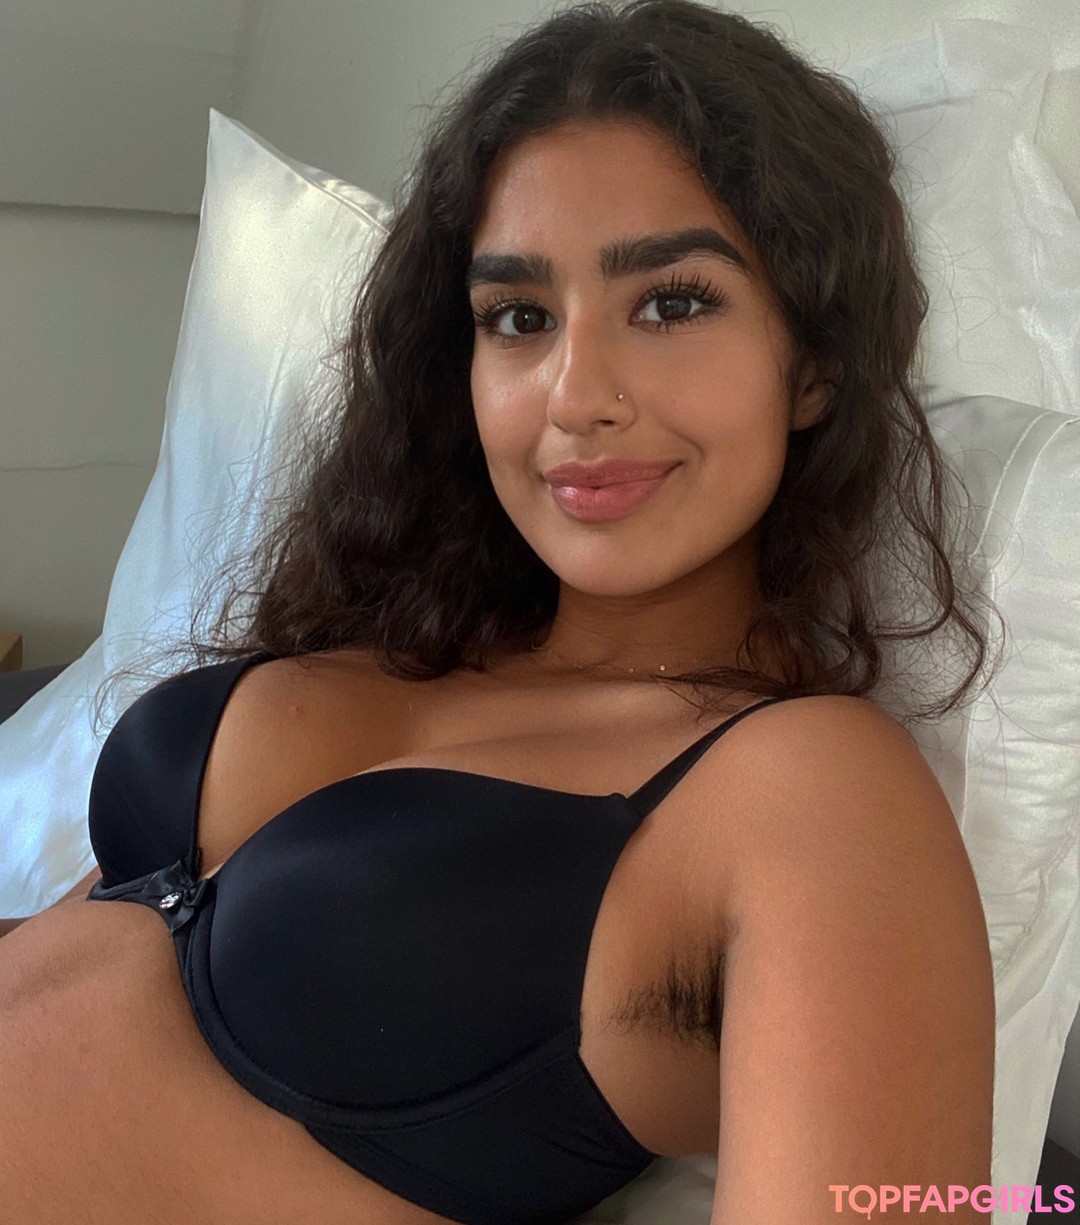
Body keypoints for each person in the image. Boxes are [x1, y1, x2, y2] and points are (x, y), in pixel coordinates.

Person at [0, 1, 1002, 1221]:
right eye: (519, 318)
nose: (576, 396)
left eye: (672, 302)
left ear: (816, 364)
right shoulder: (403, 634)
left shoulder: (811, 792)